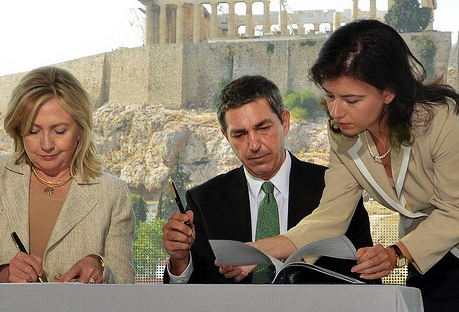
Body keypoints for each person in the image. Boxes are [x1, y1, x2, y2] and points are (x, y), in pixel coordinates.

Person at [218, 19, 459, 310]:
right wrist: (258, 252)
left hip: (426, 246)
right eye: (330, 96)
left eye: (351, 99)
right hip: (430, 257)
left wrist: (397, 252)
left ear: (389, 92)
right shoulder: (342, 134)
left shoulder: (443, 121)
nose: (335, 111)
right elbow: (331, 216)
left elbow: (454, 210)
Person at [162, 75, 374, 284]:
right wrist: (180, 261)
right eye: (239, 134)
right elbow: (198, 293)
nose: (254, 144)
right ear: (226, 136)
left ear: (285, 122)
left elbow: (363, 281)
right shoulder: (205, 201)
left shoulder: (335, 190)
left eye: (263, 128)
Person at [0, 66, 135, 284]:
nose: (46, 144)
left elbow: (126, 287)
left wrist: (101, 267)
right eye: (33, 131)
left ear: (80, 130)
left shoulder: (113, 193)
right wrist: (3, 273)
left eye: (59, 131)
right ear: (18, 131)